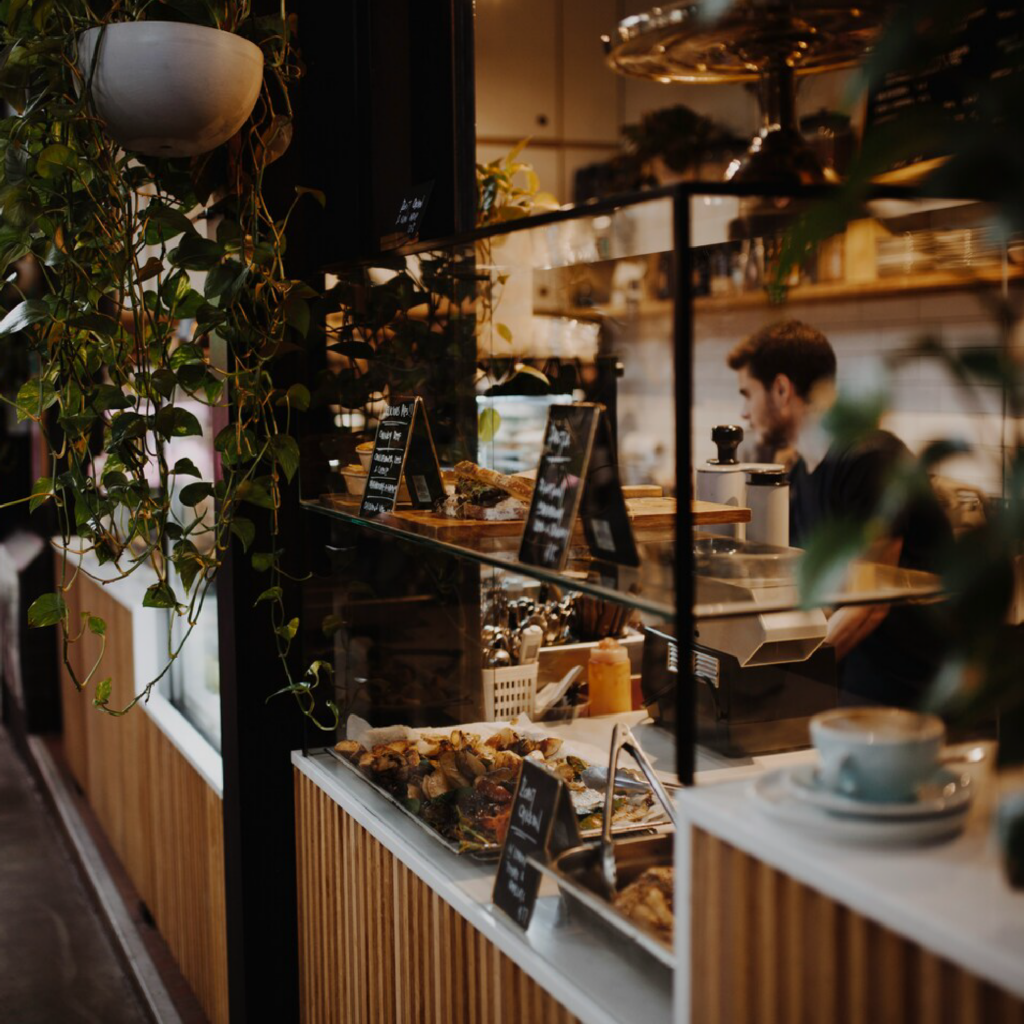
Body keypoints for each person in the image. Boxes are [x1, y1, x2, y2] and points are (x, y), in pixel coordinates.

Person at [726, 319, 952, 708]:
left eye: (748, 394)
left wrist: (785, 679)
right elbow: (814, 594)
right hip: (856, 682)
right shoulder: (801, 473)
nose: (744, 413)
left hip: (913, 694)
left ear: (781, 390)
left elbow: (869, 604)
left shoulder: (870, 459)